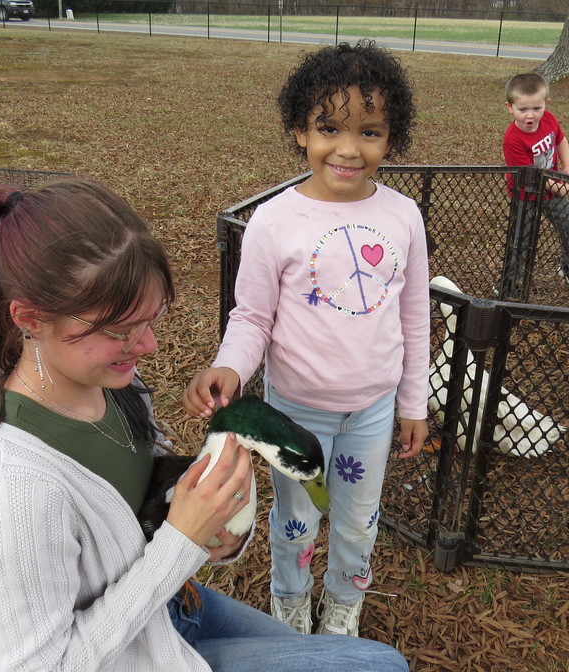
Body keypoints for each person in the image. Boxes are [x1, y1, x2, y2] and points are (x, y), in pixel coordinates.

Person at [0, 178, 409, 671]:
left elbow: (142, 517)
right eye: (120, 330)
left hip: (165, 609)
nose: (147, 345)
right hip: (126, 653)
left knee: (371, 660)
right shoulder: (16, 490)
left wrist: (215, 532)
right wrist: (181, 543)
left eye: (152, 320)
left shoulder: (113, 385)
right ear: (30, 319)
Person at [183, 40, 430, 638]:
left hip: (370, 413)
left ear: (390, 138)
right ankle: (289, 603)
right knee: (295, 523)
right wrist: (230, 368)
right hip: (293, 414)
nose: (348, 149)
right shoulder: (272, 221)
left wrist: (412, 403)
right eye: (328, 128)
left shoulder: (404, 217)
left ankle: (344, 604)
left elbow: (415, 315)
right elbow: (252, 319)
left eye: (369, 132)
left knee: (356, 524)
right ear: (300, 130)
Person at [501, 72, 569, 292]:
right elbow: (532, 173)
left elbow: (561, 140)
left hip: (553, 192)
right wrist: (559, 186)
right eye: (523, 110)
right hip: (525, 194)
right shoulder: (513, 139)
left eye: (537, 108)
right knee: (521, 240)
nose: (530, 115)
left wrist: (568, 168)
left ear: (546, 104)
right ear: (510, 107)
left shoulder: (549, 120)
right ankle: (511, 280)